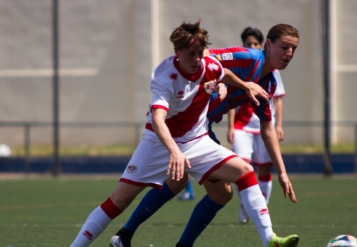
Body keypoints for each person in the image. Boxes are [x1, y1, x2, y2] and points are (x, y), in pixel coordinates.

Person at [70, 20, 298, 247]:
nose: (198, 59)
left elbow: (221, 71)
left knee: (240, 175)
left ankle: (269, 240)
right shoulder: (165, 76)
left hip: (197, 136)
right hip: (160, 140)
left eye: (293, 49)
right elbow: (159, 119)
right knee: (122, 198)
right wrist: (174, 151)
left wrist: (239, 84)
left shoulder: (227, 71)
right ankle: (109, 238)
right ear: (177, 52)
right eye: (285, 47)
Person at [229, 27, 287, 224]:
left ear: (262, 45)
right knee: (241, 167)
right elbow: (230, 100)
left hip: (264, 126)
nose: (252, 47)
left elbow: (277, 99)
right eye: (249, 44)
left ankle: (261, 208)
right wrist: (230, 126)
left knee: (264, 170)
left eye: (255, 44)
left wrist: (279, 125)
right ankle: (247, 204)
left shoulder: (272, 70)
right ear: (244, 45)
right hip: (242, 126)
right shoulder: (242, 66)